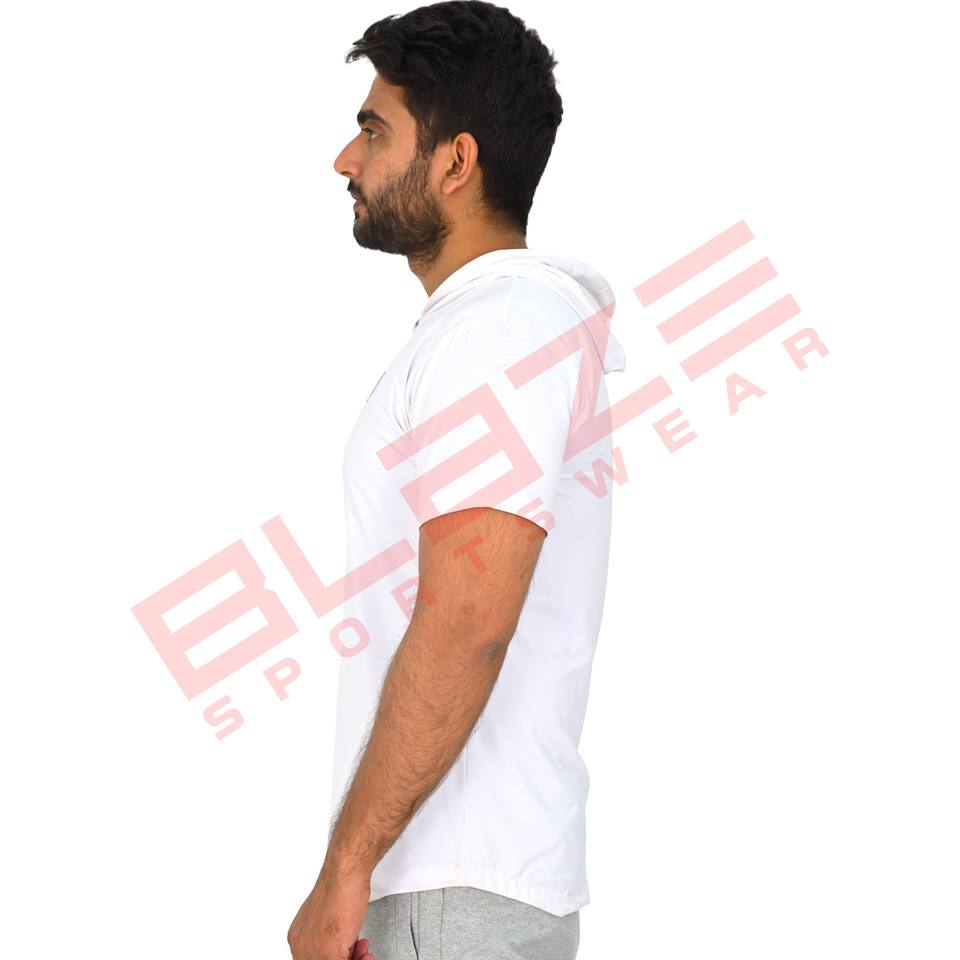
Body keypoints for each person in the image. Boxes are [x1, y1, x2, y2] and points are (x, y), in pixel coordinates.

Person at [288, 3, 626, 958]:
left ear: (455, 163)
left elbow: (469, 617)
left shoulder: (498, 330)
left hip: (448, 892)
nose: (346, 160)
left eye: (374, 130)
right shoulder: (495, 327)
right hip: (453, 886)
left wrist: (346, 869)